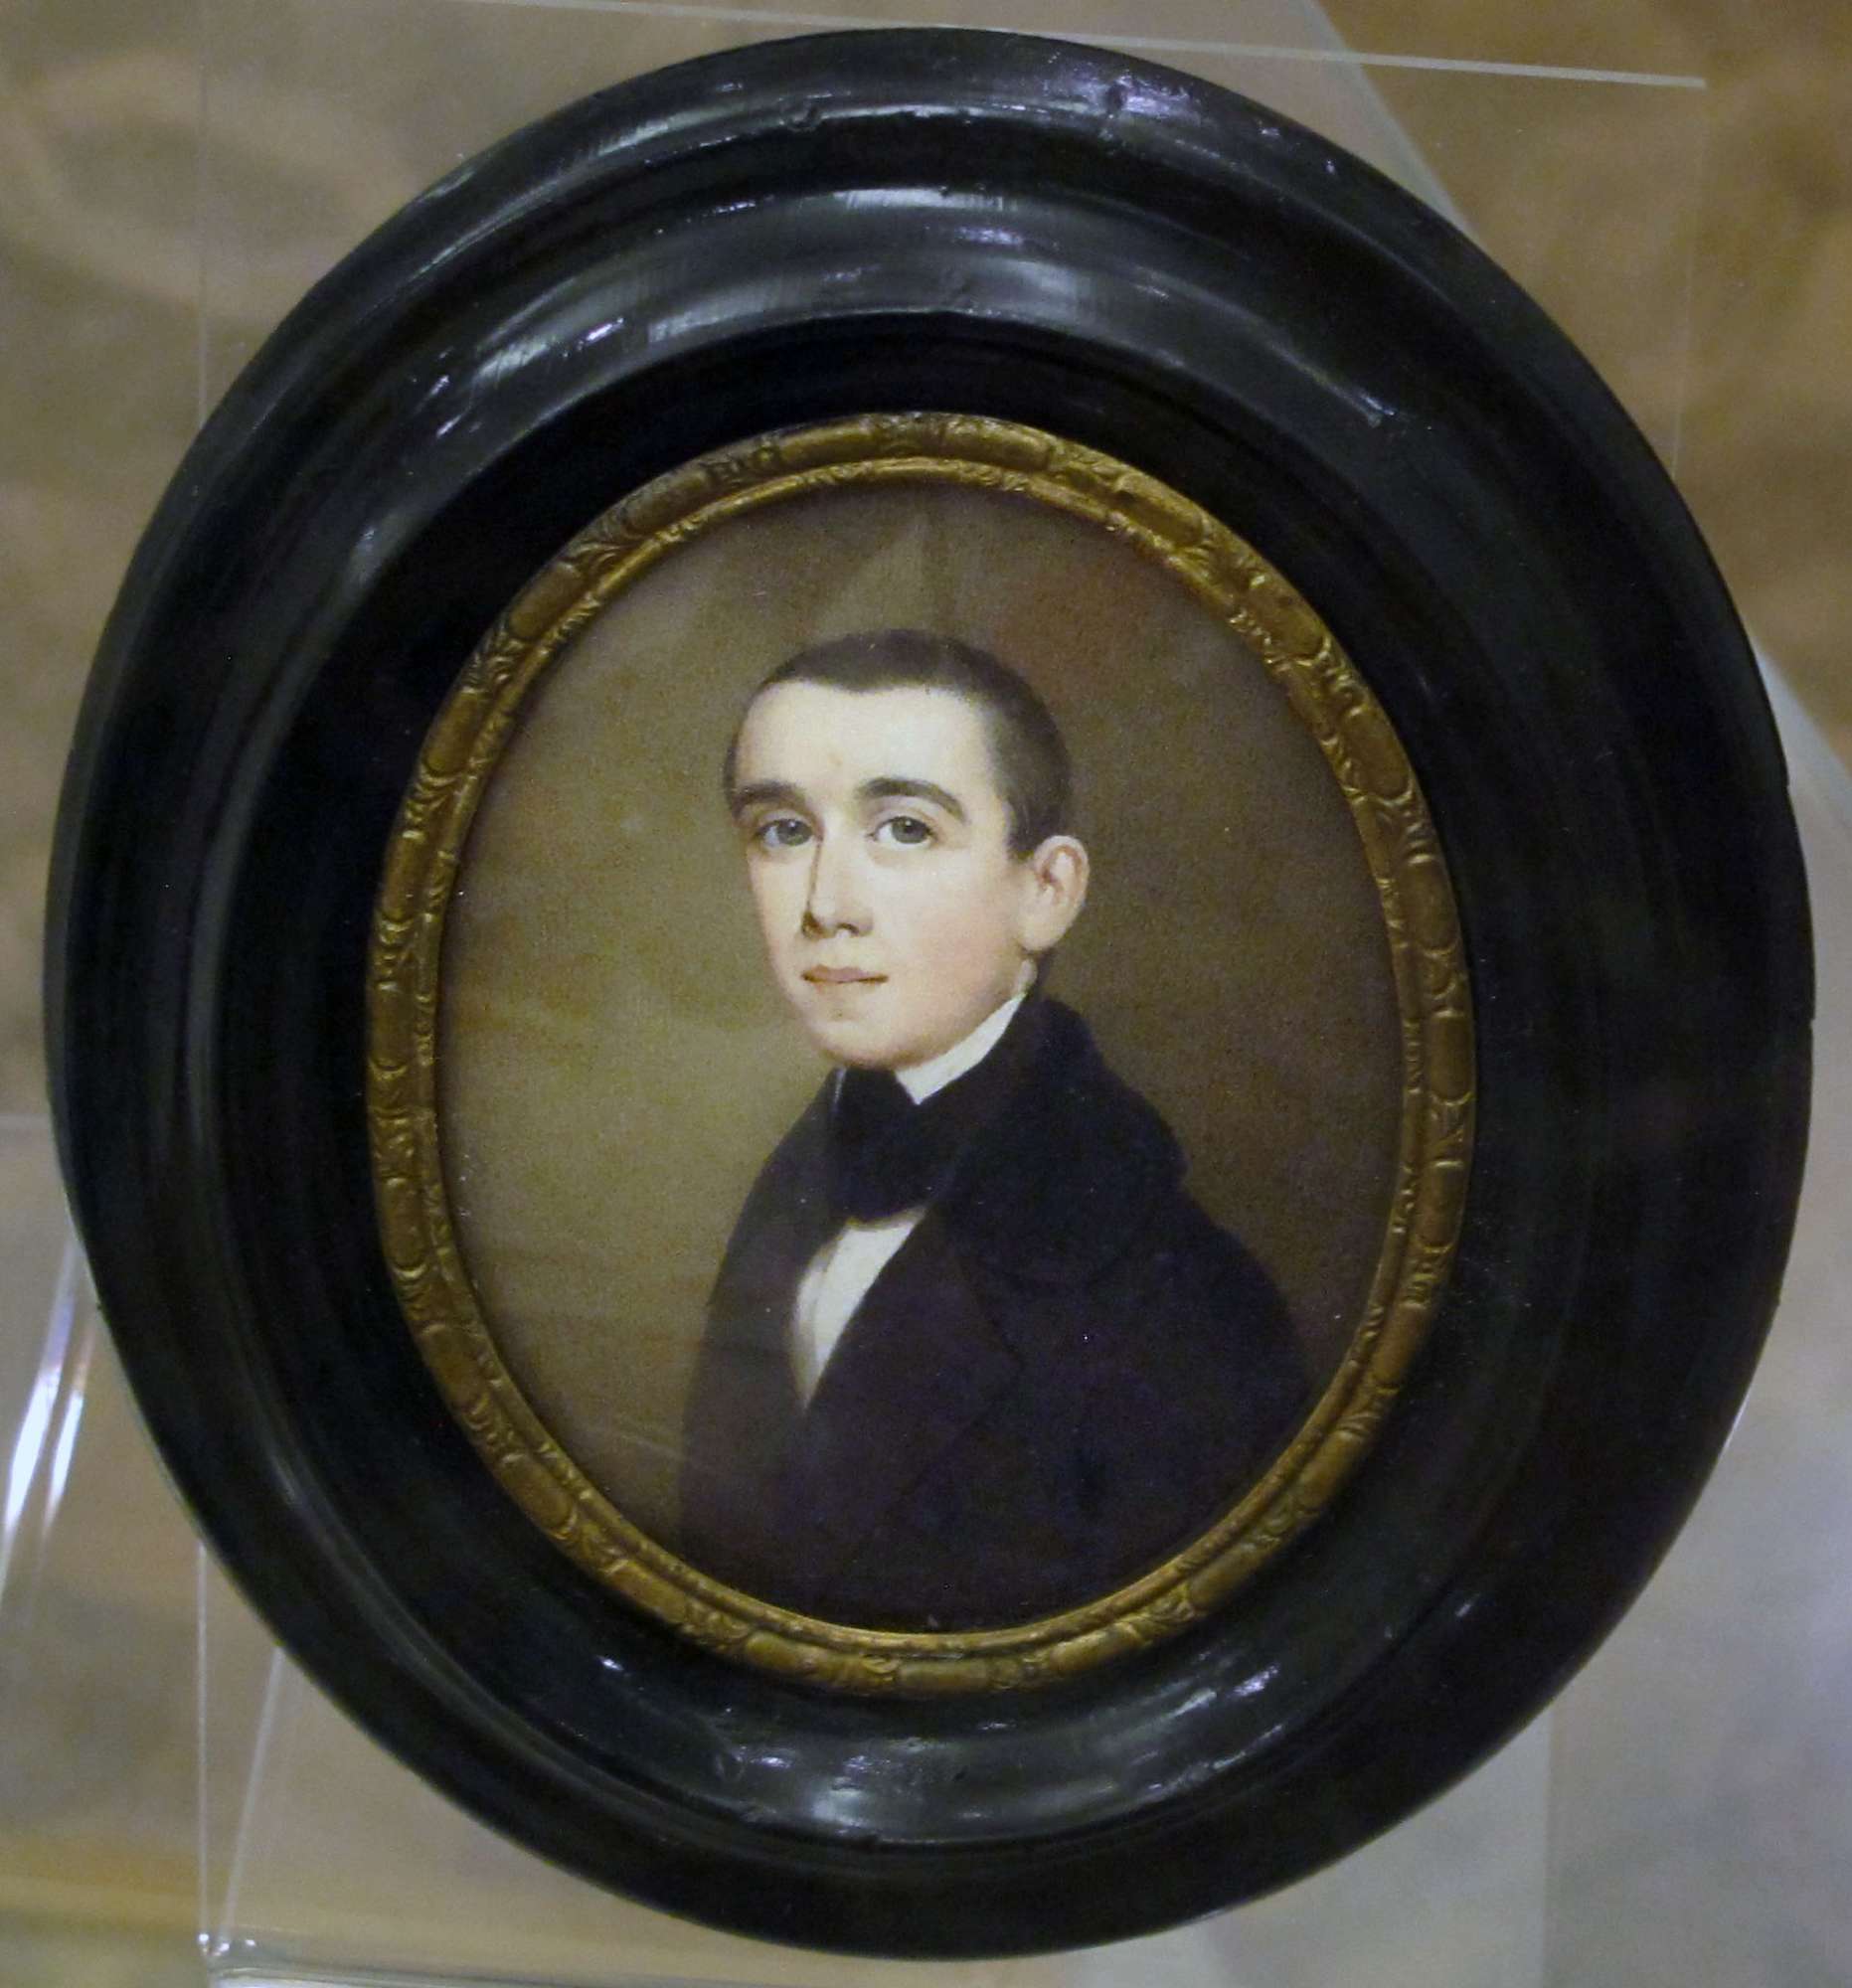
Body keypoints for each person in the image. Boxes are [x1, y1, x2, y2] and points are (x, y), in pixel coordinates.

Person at [679, 630, 1307, 1630]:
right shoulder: (796, 1190)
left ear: (1046, 890)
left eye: (905, 830)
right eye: (785, 831)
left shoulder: (1190, 1311)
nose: (827, 905)